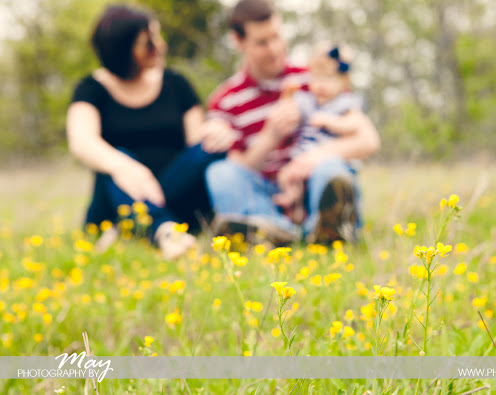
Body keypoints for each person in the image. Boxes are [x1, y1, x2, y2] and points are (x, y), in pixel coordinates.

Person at [203, 0, 380, 245]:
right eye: (262, 42)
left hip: (313, 184)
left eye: (277, 36)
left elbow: (368, 139)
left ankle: (326, 225)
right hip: (266, 193)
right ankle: (275, 230)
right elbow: (239, 168)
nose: (274, 49)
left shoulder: (314, 79)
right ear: (238, 42)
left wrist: (313, 159)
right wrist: (270, 136)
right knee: (220, 173)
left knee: (331, 171)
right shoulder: (225, 99)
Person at [66, 4, 230, 259]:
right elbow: (82, 141)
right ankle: (164, 229)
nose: (161, 45)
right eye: (149, 41)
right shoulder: (92, 89)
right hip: (114, 195)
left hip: (175, 191)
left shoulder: (176, 84)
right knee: (114, 165)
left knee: (210, 148)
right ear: (122, 50)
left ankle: (133, 227)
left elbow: (195, 144)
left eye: (158, 35)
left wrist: (219, 132)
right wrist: (124, 166)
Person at [272, 42, 364, 224]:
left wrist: (332, 121)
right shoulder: (307, 102)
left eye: (328, 79)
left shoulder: (345, 103)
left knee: (333, 178)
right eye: (317, 79)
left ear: (343, 81)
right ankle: (294, 208)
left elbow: (356, 124)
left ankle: (339, 219)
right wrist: (287, 95)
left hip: (331, 160)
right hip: (302, 159)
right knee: (286, 175)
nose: (321, 86)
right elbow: (289, 113)